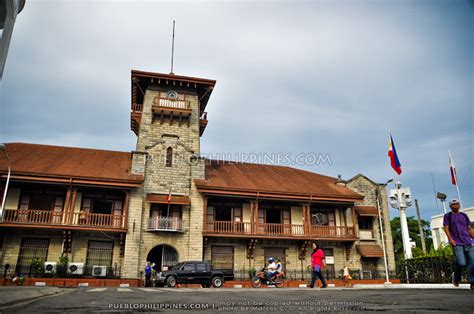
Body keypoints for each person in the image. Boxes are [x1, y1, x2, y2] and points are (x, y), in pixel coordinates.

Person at [443, 199, 473, 289]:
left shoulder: (464, 215)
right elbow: (446, 227)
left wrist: (472, 236)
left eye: (457, 204)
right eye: (453, 204)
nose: (455, 206)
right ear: (450, 206)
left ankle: (473, 282)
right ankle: (456, 277)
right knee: (461, 262)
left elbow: (469, 227)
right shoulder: (448, 216)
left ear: (459, 205)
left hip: (468, 241)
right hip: (457, 243)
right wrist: (450, 239)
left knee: (473, 262)